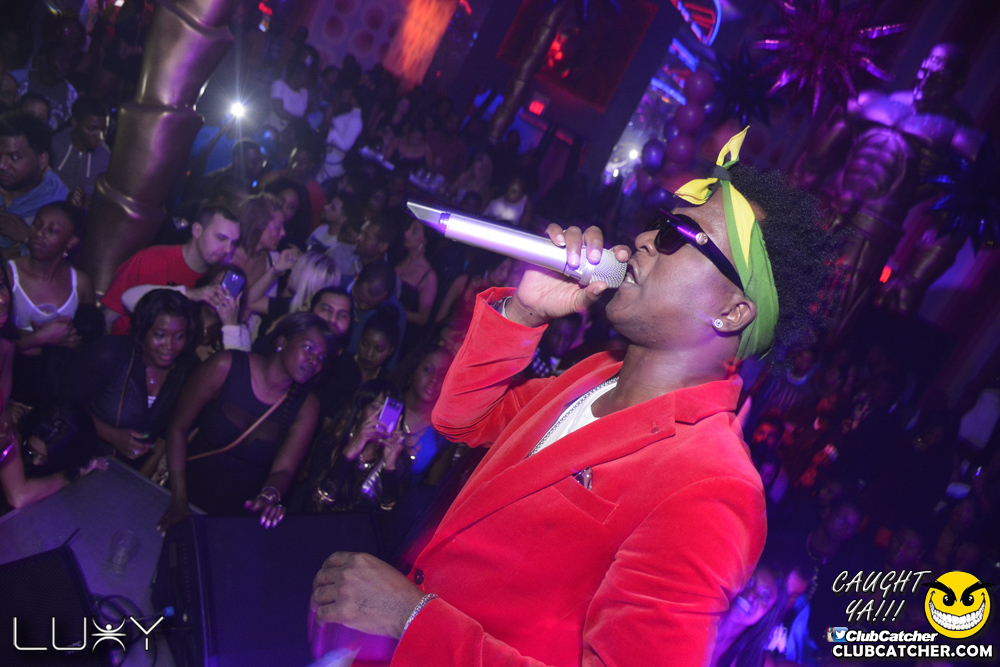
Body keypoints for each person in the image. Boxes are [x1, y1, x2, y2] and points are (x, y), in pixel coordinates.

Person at [310, 129, 833, 664]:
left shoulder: (714, 487)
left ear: (732, 312)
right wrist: (525, 311)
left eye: (680, 235)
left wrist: (412, 620)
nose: (645, 239)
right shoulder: (594, 375)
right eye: (660, 222)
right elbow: (461, 420)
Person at [157, 313, 333, 530]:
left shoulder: (307, 406)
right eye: (308, 348)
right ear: (281, 342)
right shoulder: (226, 365)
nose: (314, 361)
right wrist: (179, 500)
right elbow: (178, 427)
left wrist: (268, 496)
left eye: (322, 357)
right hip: (182, 492)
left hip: (237, 518)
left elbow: (284, 471)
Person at [64, 289, 200, 472]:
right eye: (160, 335)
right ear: (143, 331)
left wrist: (141, 479)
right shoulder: (110, 354)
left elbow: (169, 432)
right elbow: (66, 404)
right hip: (81, 464)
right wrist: (112, 436)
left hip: (130, 476)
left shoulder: (187, 368)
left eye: (179, 336)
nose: (169, 346)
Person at [101, 205, 240, 335]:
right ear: (197, 230)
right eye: (221, 238)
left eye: (233, 243)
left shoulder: (217, 280)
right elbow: (110, 314)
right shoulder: (151, 259)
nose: (228, 250)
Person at [5, 201, 95, 352]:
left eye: (52, 230)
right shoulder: (8, 274)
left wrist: (74, 343)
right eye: (36, 225)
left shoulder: (81, 284)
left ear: (71, 242)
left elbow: (88, 339)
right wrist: (43, 339)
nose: (39, 234)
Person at [0, 400, 103, 512]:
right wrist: (72, 475)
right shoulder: (10, 430)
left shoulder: (71, 450)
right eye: (30, 449)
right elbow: (18, 498)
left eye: (44, 459)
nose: (35, 462)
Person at [0, 111, 69, 257]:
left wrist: (29, 237)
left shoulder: (60, 204)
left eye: (14, 157)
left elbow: (66, 258)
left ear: (42, 160)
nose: (2, 165)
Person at [710, 563, 786, 667]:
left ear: (767, 614)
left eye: (764, 597)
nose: (751, 595)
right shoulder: (694, 615)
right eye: (750, 581)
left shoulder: (759, 663)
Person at [49, 96, 110, 202]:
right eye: (91, 129)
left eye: (103, 130)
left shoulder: (107, 158)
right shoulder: (54, 146)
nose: (100, 137)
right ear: (75, 122)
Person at [394, 218, 438, 333]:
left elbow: (423, 318)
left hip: (398, 329)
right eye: (408, 229)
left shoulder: (429, 276)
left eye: (414, 231)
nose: (406, 234)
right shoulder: (397, 257)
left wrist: (393, 309)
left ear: (425, 240)